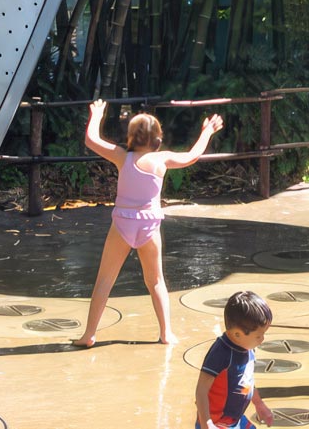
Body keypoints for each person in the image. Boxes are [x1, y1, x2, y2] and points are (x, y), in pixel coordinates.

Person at [74, 99, 224, 347]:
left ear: (131, 137)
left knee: (104, 281)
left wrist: (97, 114)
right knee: (156, 281)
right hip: (149, 224)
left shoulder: (122, 156)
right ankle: (166, 334)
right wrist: (207, 131)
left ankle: (89, 334)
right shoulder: (162, 159)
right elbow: (192, 156)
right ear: (158, 139)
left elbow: (90, 140)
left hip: (122, 223)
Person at [195, 291, 274, 429]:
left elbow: (247, 380)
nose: (262, 340)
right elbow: (201, 390)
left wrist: (259, 404)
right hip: (216, 423)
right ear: (237, 334)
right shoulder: (221, 352)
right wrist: (206, 423)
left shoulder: (247, 346)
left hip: (234, 420)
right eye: (258, 336)